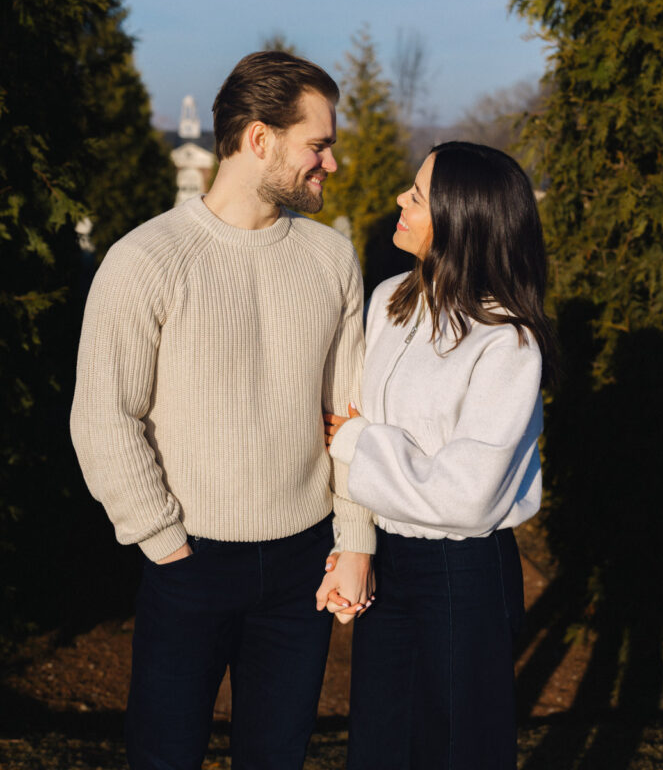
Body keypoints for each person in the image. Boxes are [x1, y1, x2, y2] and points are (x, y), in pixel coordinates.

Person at [71, 51, 375, 770]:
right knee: (164, 757)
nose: (331, 162)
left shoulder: (332, 258)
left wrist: (355, 540)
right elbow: (105, 417)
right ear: (259, 139)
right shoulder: (146, 258)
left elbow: (354, 414)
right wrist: (164, 542)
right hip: (189, 561)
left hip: (305, 561)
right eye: (319, 143)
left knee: (277, 756)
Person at [324, 141, 558, 770]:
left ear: (462, 218)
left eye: (419, 195)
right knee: (378, 744)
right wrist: (355, 545)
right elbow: (366, 417)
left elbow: (465, 496)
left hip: (465, 574)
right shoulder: (388, 298)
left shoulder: (508, 342)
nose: (400, 199)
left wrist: (356, 442)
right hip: (390, 560)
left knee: (459, 751)